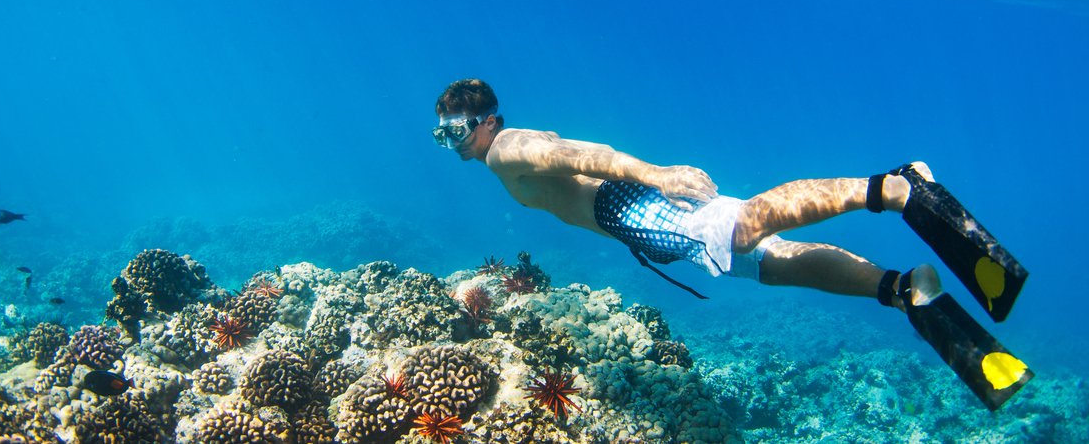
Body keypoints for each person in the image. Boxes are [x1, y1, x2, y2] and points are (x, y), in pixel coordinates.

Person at [432, 78, 1031, 410]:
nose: (452, 142)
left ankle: (895, 187)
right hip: (636, 223)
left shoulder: (506, 150)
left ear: (487, 121)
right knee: (771, 263)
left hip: (635, 207)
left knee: (746, 225)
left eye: (457, 130)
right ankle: (901, 289)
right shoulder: (501, 155)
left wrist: (654, 175)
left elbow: (578, 155)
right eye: (441, 135)